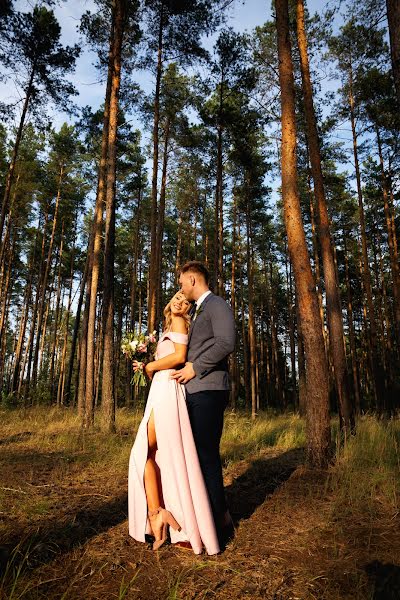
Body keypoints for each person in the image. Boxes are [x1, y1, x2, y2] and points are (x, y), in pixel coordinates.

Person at [127, 291, 220, 555]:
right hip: (159, 389)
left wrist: (151, 366)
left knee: (142, 451)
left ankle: (159, 515)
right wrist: (144, 364)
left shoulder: (180, 322)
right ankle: (159, 515)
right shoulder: (168, 326)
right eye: (178, 297)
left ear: (189, 309)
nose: (181, 302)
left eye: (186, 301)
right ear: (170, 300)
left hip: (167, 390)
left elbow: (179, 357)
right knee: (151, 454)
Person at [171, 261, 236, 549]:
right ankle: (206, 518)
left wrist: (195, 368)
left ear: (194, 280)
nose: (181, 288)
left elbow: (226, 342)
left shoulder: (217, 304)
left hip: (210, 389)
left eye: (183, 282)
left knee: (206, 455)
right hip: (196, 391)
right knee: (198, 455)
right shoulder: (197, 312)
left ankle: (220, 522)